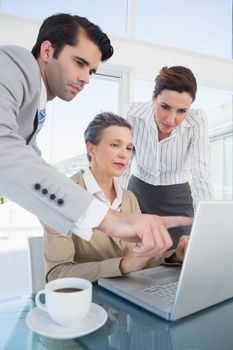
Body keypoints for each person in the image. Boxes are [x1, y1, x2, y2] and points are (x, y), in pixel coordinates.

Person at [0, 13, 192, 258]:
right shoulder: (11, 64)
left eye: (91, 70)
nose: (86, 79)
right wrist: (109, 219)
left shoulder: (35, 109)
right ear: (47, 51)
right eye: (79, 63)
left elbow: (30, 168)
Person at [44, 112, 188, 282]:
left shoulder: (129, 198)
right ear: (91, 149)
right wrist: (122, 265)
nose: (124, 155)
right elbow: (57, 274)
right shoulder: (62, 196)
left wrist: (175, 257)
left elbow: (141, 259)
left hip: (127, 295)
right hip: (86, 300)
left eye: (128, 148)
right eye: (115, 145)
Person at [121, 66, 211, 247]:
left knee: (181, 256)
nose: (171, 119)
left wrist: (208, 223)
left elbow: (201, 172)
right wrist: (118, 207)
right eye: (165, 107)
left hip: (177, 200)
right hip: (138, 196)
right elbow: (123, 166)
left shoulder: (197, 121)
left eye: (182, 111)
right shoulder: (134, 115)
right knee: (138, 257)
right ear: (154, 97)